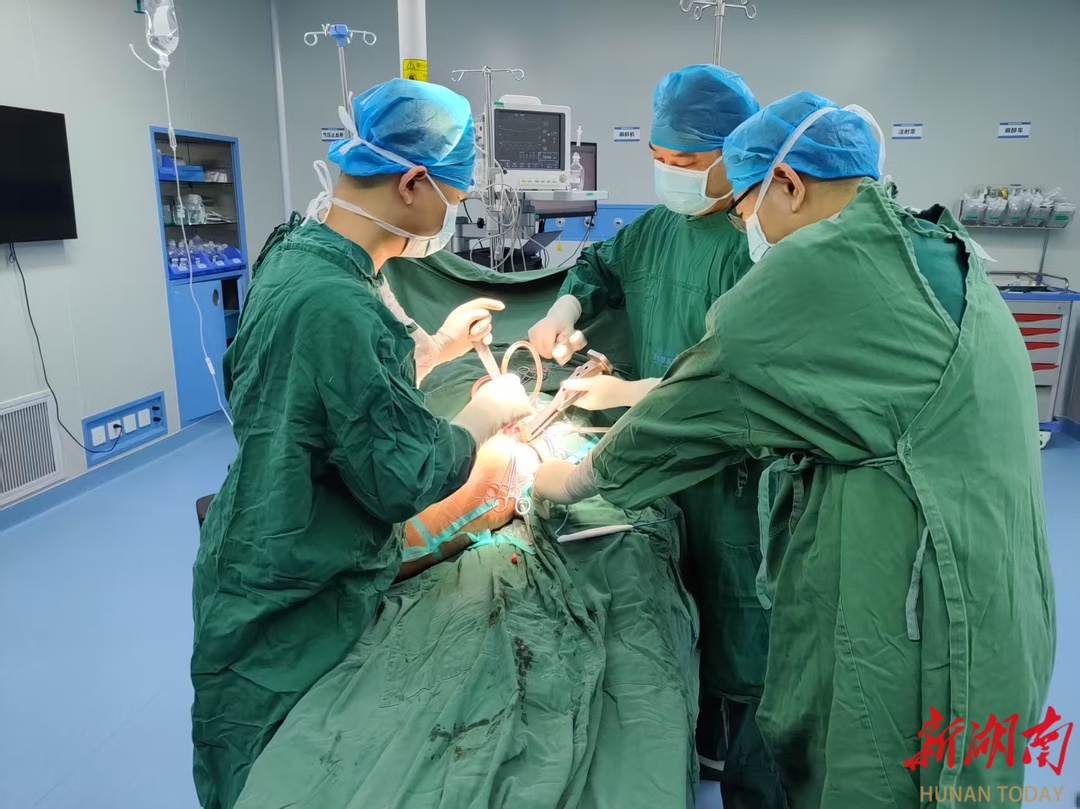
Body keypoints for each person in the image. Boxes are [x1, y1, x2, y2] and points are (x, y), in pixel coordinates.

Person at [532, 91, 1055, 807]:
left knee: (882, 773)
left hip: (920, 596)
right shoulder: (928, 241)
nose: (744, 226)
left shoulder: (815, 270)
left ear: (787, 183)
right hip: (1001, 579)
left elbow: (689, 410)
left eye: (745, 209)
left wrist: (567, 480)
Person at [191, 79, 530, 809]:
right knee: (275, 768)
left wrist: (435, 349)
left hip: (260, 522)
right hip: (294, 575)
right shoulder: (337, 300)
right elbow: (404, 476)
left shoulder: (298, 253)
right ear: (412, 184)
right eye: (453, 196)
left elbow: (321, 383)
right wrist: (486, 413)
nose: (452, 214)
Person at [528, 64, 786, 808]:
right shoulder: (657, 228)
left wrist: (629, 394)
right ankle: (690, 720)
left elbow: (748, 377)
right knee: (670, 594)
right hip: (661, 459)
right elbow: (602, 265)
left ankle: (739, 754)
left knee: (740, 610)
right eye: (659, 157)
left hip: (735, 472)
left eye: (687, 160)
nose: (670, 171)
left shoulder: (762, 244)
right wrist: (566, 311)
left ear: (735, 156)